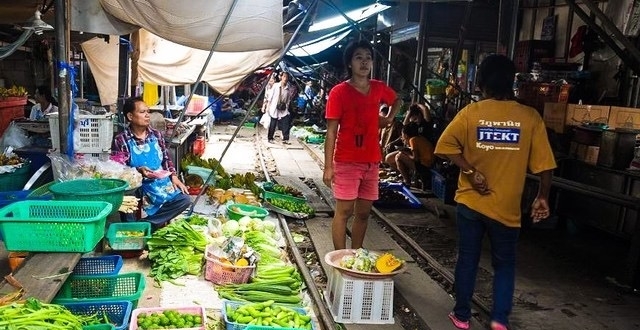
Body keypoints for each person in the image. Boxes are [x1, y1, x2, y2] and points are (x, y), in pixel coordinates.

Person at [434, 54, 556, 330]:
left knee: (468, 258)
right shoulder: (529, 118)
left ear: (481, 83)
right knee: (505, 265)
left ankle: (462, 316)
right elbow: (545, 165)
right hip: (506, 207)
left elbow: (444, 146)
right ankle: (499, 320)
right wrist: (542, 195)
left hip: (471, 203)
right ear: (511, 82)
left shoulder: (471, 113)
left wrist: (469, 170)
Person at [323, 39, 401, 250]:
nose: (364, 62)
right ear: (350, 63)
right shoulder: (339, 92)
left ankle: (356, 254)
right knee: (344, 212)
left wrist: (389, 118)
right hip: (347, 160)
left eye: (368, 58)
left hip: (372, 161)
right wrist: (328, 166)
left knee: (364, 213)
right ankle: (340, 259)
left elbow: (397, 100)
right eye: (359, 57)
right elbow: (331, 132)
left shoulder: (378, 88)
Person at [112, 96, 192, 230]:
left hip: (160, 184)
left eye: (148, 111)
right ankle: (132, 229)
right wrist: (138, 171)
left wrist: (174, 176)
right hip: (137, 186)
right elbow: (119, 170)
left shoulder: (156, 135)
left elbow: (166, 158)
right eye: (142, 112)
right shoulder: (121, 140)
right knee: (127, 198)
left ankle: (147, 224)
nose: (147, 115)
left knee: (185, 200)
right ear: (130, 116)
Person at [384, 122, 434, 187]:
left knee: (399, 156)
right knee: (398, 155)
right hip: (427, 164)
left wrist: (406, 153)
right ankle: (407, 178)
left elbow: (415, 158)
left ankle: (407, 181)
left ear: (405, 135)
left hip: (424, 167)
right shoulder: (419, 138)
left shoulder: (412, 140)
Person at [263, 71, 295, 144]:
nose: (285, 78)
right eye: (284, 77)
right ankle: (270, 138)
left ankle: (286, 139)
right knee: (273, 123)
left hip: (283, 108)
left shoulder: (288, 88)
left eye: (287, 77)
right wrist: (267, 107)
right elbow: (270, 97)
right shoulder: (275, 86)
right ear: (281, 77)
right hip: (274, 107)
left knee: (286, 122)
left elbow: (288, 99)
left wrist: (286, 107)